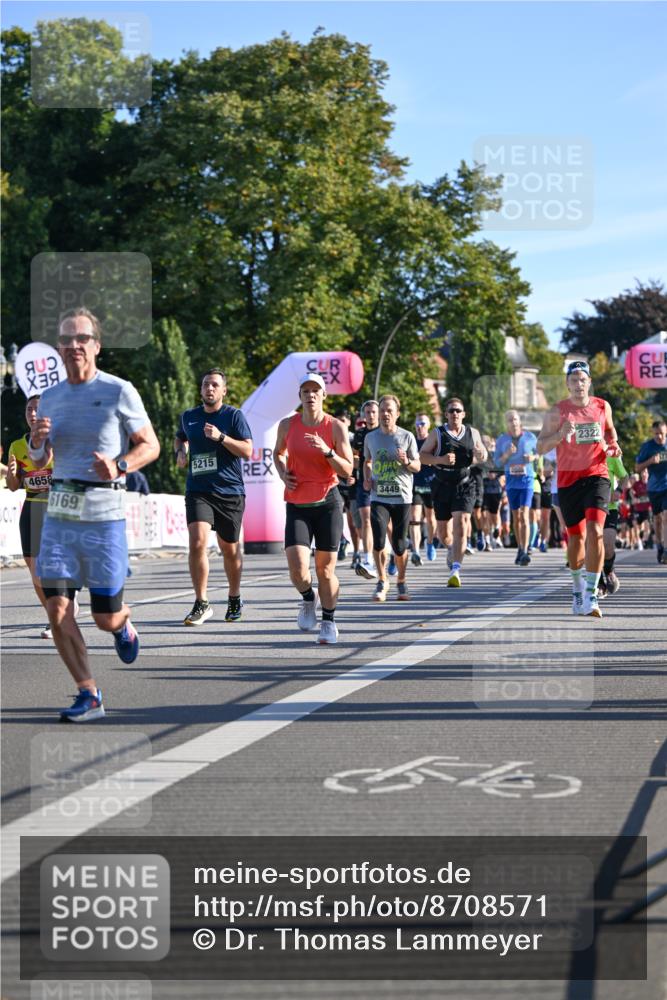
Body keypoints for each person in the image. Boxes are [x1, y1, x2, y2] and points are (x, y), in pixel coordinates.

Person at [29, 307, 160, 721]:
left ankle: (123, 623)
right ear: (59, 348)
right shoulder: (50, 397)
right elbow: (41, 459)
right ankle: (88, 693)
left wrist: (120, 465)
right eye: (66, 339)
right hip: (60, 514)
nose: (74, 345)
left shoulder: (119, 390)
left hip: (104, 516)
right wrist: (36, 443)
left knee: (104, 617)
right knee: (57, 608)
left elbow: (150, 445)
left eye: (82, 338)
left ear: (96, 346)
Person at [273, 373, 353, 644]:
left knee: (325, 570)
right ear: (300, 396)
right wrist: (283, 473)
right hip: (297, 503)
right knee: (297, 570)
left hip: (328, 503)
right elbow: (277, 453)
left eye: (315, 391)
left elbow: (348, 469)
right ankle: (309, 598)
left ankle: (328, 621)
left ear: (323, 395)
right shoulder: (288, 425)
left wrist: (327, 451)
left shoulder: (335, 427)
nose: (310, 395)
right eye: (305, 391)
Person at [537, 359, 620, 618]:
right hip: (568, 480)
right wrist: (559, 434)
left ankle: (591, 594)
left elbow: (611, 434)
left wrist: (613, 446)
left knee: (596, 531)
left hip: (597, 475)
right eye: (574, 380)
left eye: (583, 379)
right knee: (576, 537)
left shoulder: (602, 406)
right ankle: (577, 589)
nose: (578, 384)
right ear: (567, 384)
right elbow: (540, 447)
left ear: (589, 382)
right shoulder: (557, 411)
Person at [175, 368, 253, 625]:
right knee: (197, 542)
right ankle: (201, 602)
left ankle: (234, 596)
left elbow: (247, 450)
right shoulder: (189, 417)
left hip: (229, 491)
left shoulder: (233, 416)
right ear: (200, 389)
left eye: (215, 385)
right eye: (206, 384)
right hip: (198, 490)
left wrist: (222, 438)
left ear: (224, 391)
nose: (210, 388)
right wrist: (181, 451)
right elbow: (180, 438)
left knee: (229, 549)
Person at [419, 397, 487, 587]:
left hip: (465, 483)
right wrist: (440, 460)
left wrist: (481, 454)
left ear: (463, 414)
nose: (455, 414)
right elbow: (422, 456)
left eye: (458, 410)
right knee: (443, 533)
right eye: (451, 411)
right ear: (446, 414)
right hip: (442, 484)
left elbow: (482, 454)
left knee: (462, 523)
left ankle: (456, 569)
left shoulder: (472, 432)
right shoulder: (437, 433)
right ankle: (451, 548)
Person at [6, 394, 56, 638]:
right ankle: (53, 616)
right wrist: (11, 474)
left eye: (37, 409)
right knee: (33, 568)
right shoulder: (17, 446)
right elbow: (14, 486)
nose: (32, 413)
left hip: (57, 509)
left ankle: (61, 612)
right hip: (32, 507)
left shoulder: (57, 441)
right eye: (28, 409)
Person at [363, 394, 420, 601]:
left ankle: (401, 581)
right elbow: (367, 461)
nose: (385, 414)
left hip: (402, 497)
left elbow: (417, 466)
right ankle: (382, 580)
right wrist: (367, 478)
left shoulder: (407, 437)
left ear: (397, 414)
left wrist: (406, 461)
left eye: (389, 411)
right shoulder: (371, 437)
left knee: (399, 544)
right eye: (382, 410)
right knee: (378, 541)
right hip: (379, 496)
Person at [494, 410, 537, 566]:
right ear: (506, 423)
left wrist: (532, 457)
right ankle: (519, 548)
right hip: (511, 482)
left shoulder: (530, 437)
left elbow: (539, 453)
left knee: (524, 515)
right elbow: (497, 462)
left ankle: (524, 551)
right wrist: (506, 454)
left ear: (520, 421)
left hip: (527, 480)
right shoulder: (502, 440)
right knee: (516, 517)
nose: (513, 422)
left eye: (515, 419)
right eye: (510, 420)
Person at [352, 400, 380, 579]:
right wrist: (353, 466)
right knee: (366, 520)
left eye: (374, 412)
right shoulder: (359, 434)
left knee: (386, 523)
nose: (371, 415)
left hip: (384, 481)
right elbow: (354, 456)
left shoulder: (384, 432)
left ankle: (393, 553)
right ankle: (368, 559)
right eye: (368, 412)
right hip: (364, 482)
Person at [636, 420, 667, 564]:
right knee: (657, 519)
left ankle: (666, 549)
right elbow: (637, 468)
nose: (659, 437)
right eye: (656, 434)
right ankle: (659, 545)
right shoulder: (647, 447)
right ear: (652, 433)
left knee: (666, 516)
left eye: (662, 433)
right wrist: (650, 461)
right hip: (654, 488)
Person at [598, 454, 629, 597]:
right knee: (594, 544)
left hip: (609, 507)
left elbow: (624, 477)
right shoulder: (583, 453)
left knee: (608, 544)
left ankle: (609, 570)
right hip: (591, 506)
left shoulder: (611, 455)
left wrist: (618, 491)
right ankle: (599, 582)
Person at [410, 412, 437, 564]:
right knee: (414, 518)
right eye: (417, 424)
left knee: (431, 519)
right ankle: (415, 551)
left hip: (431, 485)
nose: (419, 427)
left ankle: (430, 542)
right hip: (415, 484)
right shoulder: (411, 442)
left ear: (428, 426)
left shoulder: (433, 442)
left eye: (423, 424)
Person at [334, 407, 360, 563]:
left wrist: (355, 478)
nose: (341, 424)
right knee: (334, 516)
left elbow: (359, 462)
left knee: (353, 524)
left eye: (343, 421)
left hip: (351, 484)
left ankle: (357, 553)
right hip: (336, 483)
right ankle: (342, 540)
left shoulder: (354, 438)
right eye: (338, 421)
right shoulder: (332, 436)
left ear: (349, 422)